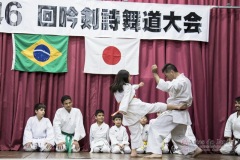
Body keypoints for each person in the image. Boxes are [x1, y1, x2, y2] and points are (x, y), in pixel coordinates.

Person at [109, 69, 186, 157]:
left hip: (128, 112)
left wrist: (138, 85)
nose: (130, 77)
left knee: (134, 131)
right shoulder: (127, 86)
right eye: (129, 76)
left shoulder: (115, 88)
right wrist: (123, 109)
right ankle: (177, 106)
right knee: (155, 106)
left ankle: (133, 152)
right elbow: (126, 97)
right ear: (125, 77)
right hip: (134, 106)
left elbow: (130, 90)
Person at [146, 64, 202, 158]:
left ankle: (156, 152)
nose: (167, 78)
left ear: (172, 72)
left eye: (167, 75)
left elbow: (167, 86)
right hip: (181, 113)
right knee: (178, 136)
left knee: (155, 126)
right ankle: (195, 149)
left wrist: (155, 74)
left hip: (175, 112)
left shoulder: (180, 81)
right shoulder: (186, 80)